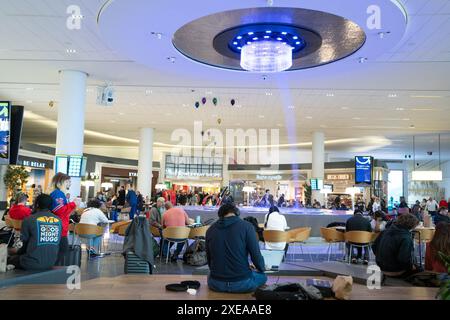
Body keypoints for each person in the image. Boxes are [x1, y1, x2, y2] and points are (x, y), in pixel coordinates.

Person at [205, 203, 267, 293]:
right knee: (263, 276)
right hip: (242, 283)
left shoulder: (210, 229)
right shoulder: (247, 226)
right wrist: (261, 269)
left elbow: (209, 259)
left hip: (215, 283)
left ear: (220, 215)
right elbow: (256, 255)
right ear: (237, 213)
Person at [7, 194, 62, 270]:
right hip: (51, 262)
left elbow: (24, 247)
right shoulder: (58, 220)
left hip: (32, 262)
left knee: (9, 259)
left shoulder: (28, 220)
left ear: (37, 204)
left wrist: (14, 252)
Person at [372, 214, 420, 278]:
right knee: (420, 271)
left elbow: (374, 247)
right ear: (412, 226)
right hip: (395, 269)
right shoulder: (405, 237)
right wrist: (411, 266)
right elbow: (403, 260)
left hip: (381, 266)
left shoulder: (385, 231)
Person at [50, 173, 77, 265]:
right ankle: (51, 270)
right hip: (59, 227)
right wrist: (73, 204)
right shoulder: (58, 194)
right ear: (59, 182)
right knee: (62, 250)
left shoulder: (59, 194)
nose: (69, 184)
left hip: (61, 227)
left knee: (61, 250)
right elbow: (60, 210)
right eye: (67, 181)